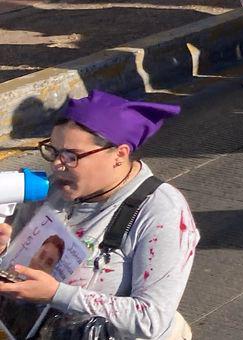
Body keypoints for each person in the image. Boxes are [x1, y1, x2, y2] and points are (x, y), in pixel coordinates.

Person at [0, 92, 196, 339]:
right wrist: (5, 249)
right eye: (53, 150)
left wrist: (55, 294)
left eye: (72, 156)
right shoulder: (53, 188)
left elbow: (151, 320)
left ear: (119, 154)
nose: (57, 165)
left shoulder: (160, 212)